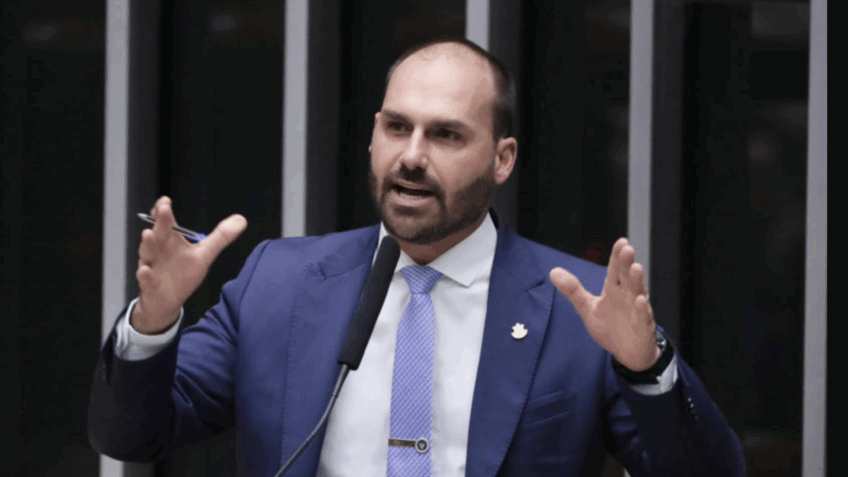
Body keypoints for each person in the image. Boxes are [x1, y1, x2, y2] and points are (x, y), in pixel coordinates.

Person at [87, 37, 744, 476]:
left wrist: (645, 368)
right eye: (397, 127)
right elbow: (129, 437)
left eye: (446, 135)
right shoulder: (278, 282)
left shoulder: (580, 307)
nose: (411, 156)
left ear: (502, 159)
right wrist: (154, 320)